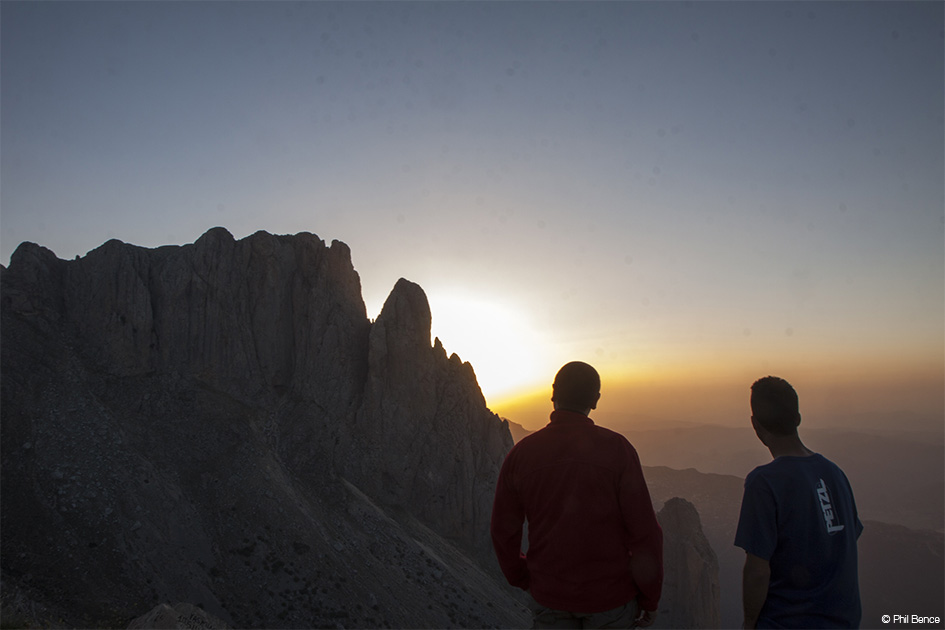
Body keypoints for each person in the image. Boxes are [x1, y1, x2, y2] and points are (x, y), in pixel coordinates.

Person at [491, 361, 663, 629]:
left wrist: (524, 578)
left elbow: (503, 531)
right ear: (595, 400)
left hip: (550, 600)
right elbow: (645, 533)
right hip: (611, 603)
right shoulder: (618, 450)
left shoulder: (522, 455)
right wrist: (650, 599)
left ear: (553, 394)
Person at [735, 376, 863, 629]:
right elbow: (846, 538)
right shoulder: (834, 473)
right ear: (798, 418)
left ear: (755, 425)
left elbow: (757, 571)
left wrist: (749, 623)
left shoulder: (764, 482)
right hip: (843, 621)